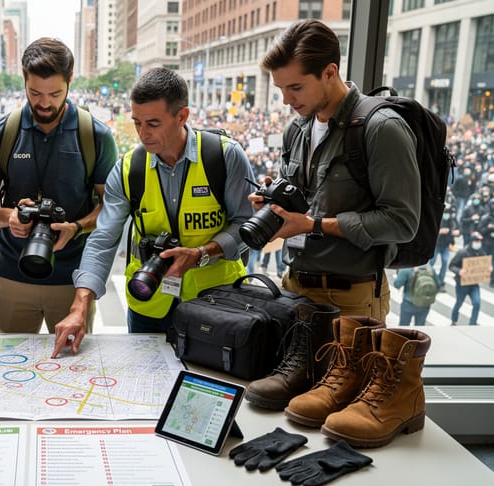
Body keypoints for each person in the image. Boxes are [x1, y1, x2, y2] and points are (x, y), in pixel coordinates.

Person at [52, 67, 254, 357]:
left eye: (153, 123)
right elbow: (103, 238)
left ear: (182, 116)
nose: (143, 134)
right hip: (148, 303)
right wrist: (80, 304)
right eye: (137, 122)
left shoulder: (225, 156)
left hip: (215, 305)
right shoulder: (127, 169)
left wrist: (201, 254)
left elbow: (246, 224)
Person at [255, 19, 421, 319]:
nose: (286, 100)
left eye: (295, 87)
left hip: (351, 298)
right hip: (292, 286)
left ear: (329, 72)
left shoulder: (382, 128)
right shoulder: (296, 128)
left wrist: (314, 225)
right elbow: (303, 204)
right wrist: (273, 206)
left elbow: (403, 222)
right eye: (280, 88)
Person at [0, 37, 118, 334]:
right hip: (12, 272)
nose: (44, 103)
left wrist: (76, 227)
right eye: (34, 93)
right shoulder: (0, 134)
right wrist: (10, 217)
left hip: (73, 276)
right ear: (24, 81)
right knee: (8, 370)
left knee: (71, 368)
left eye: (55, 93)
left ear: (70, 81)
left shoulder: (96, 135)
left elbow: (110, 207)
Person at [449, 232, 491, 326]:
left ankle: (473, 323)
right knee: (459, 303)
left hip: (474, 284)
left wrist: (488, 268)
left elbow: (485, 264)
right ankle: (454, 320)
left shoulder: (481, 252)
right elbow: (451, 266)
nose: (478, 243)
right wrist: (459, 271)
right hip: (462, 284)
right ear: (472, 241)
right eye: (477, 240)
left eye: (480, 241)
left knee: (477, 303)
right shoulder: (462, 252)